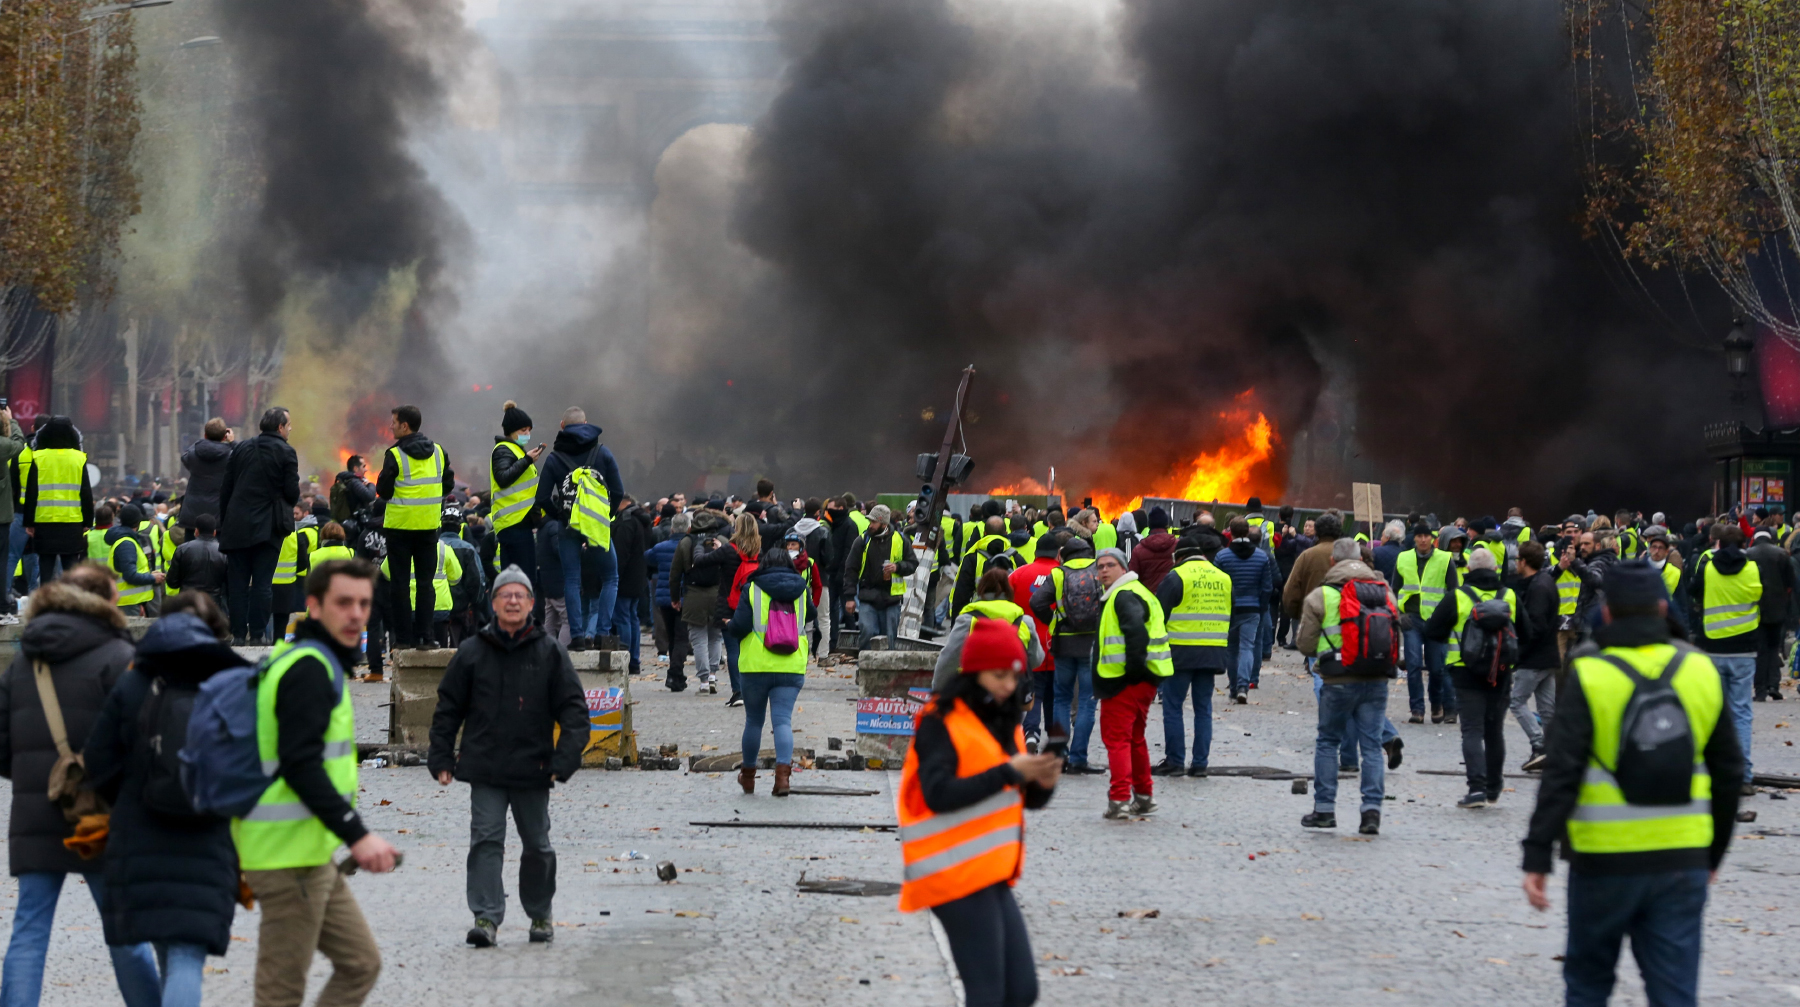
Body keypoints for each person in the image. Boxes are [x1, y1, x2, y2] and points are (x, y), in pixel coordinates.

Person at [1521, 561, 1744, 1007]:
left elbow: (1562, 771)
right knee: (1675, 991)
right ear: (1663, 607)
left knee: (1587, 984)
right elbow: (1729, 771)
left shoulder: (1588, 671)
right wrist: (1713, 852)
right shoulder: (1699, 668)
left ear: (1608, 612)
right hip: (1682, 858)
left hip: (1603, 859)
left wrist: (1538, 854)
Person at [236, 559, 398, 1007]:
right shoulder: (308, 668)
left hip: (309, 851)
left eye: (363, 603)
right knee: (280, 993)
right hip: (285, 856)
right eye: (343, 602)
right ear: (313, 606)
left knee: (360, 964)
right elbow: (300, 764)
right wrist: (358, 835)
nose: (356, 614)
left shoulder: (315, 660)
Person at [0, 564, 160, 1007]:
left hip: (36, 812)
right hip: (102, 812)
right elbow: (143, 738)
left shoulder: (24, 662)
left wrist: (42, 781)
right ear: (105, 603)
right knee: (124, 931)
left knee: (29, 930)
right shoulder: (117, 657)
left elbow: (2, 746)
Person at [82, 597, 243, 1007]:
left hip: (139, 833)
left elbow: (97, 762)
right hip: (207, 835)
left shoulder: (134, 682)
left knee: (158, 943)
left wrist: (131, 796)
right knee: (188, 954)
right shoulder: (230, 682)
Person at [897, 617, 1059, 1007]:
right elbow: (939, 794)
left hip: (990, 873)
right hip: (952, 874)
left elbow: (1021, 799)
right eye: (999, 675)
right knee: (987, 995)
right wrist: (1010, 771)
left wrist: (1043, 783)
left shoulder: (1003, 720)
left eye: (1015, 675)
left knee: (1021, 992)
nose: (1009, 685)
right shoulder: (941, 719)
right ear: (974, 672)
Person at [429, 565, 587, 947]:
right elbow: (448, 707)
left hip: (535, 768)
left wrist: (564, 761)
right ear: (494, 602)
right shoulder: (471, 651)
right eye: (505, 594)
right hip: (485, 765)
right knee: (485, 841)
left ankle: (539, 914)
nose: (513, 600)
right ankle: (485, 917)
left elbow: (574, 710)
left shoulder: (550, 652)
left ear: (531, 603)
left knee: (537, 845)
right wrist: (441, 757)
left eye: (520, 595)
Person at [1297, 537, 1398, 835]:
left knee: (1328, 742)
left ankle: (1325, 810)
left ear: (1333, 562)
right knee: (1371, 747)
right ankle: (1371, 813)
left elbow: (1304, 643)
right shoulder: (1384, 592)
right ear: (1362, 560)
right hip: (1377, 678)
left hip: (1337, 679)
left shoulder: (1321, 596)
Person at [1424, 546, 1517, 809]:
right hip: (1501, 672)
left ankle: (1476, 789)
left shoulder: (1458, 597)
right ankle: (1494, 787)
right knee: (1494, 730)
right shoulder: (1509, 595)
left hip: (1465, 671)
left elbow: (1432, 630)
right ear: (1496, 569)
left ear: (1468, 570)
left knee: (1472, 730)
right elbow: (1527, 633)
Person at [534, 407, 624, 651]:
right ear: (586, 423)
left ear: (562, 425)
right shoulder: (602, 453)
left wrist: (562, 517)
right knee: (610, 577)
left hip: (569, 527)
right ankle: (603, 635)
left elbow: (541, 498)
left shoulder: (554, 459)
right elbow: (618, 491)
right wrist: (605, 517)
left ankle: (576, 637)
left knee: (571, 579)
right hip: (596, 525)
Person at [1091, 547, 1170, 819]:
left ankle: (1120, 799)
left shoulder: (1123, 595)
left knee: (1117, 740)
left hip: (1124, 679)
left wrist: (1132, 672)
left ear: (1123, 568)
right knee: (1134, 739)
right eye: (1099, 566)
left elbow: (1136, 633)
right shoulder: (1137, 591)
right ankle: (1144, 796)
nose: (1103, 570)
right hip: (1145, 677)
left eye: (1109, 565)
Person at [728, 548, 813, 795]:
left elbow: (740, 626)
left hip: (755, 665)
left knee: (754, 721)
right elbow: (812, 616)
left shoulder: (752, 588)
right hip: (791, 664)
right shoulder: (801, 589)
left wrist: (730, 626)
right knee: (783, 721)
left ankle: (748, 777)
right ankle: (782, 780)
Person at [1683, 524, 1760, 795]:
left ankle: (1714, 773)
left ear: (1717, 543)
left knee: (1714, 713)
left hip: (1712, 648)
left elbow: (1693, 590)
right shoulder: (1752, 567)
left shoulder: (1708, 566)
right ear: (1742, 544)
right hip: (1745, 649)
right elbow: (1757, 595)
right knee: (1741, 713)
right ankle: (1743, 776)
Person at [1153, 529, 1232, 777]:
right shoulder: (1223, 578)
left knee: (1173, 706)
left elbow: (1158, 614)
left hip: (1180, 652)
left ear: (1179, 557)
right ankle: (1200, 764)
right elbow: (1232, 613)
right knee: (1203, 708)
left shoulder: (1176, 576)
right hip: (1213, 652)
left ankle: (1175, 761)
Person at [375, 404, 454, 650]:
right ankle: (426, 638)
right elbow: (448, 484)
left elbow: (383, 490)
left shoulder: (395, 455)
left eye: (394, 422)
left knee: (399, 585)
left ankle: (403, 640)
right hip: (429, 527)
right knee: (425, 583)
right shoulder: (439, 452)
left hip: (400, 529)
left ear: (405, 426)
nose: (391, 426)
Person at [218, 407, 299, 645]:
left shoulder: (241, 448)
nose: (290, 429)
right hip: (268, 528)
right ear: (280, 428)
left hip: (236, 525)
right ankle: (257, 635)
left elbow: (226, 489)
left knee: (238, 585)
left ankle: (238, 635)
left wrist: (225, 522)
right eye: (289, 424)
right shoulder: (286, 452)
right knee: (263, 583)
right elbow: (292, 493)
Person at [1029, 536, 1104, 774]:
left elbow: (1036, 601)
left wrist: (1054, 620)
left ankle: (1060, 755)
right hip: (1092, 644)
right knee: (1087, 702)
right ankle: (1079, 757)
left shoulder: (1058, 574)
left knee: (1061, 698)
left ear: (1063, 555)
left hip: (1063, 644)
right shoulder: (1099, 572)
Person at [1393, 521, 1459, 724]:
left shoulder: (1444, 559)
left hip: (1436, 621)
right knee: (1412, 665)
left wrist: (1447, 618)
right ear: (1414, 538)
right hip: (1411, 618)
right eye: (1419, 536)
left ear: (1433, 538)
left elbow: (1453, 591)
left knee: (1437, 667)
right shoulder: (1403, 558)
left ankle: (1437, 704)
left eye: (1426, 536)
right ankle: (1417, 709)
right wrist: (1398, 614)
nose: (1423, 540)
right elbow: (1395, 588)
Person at [21, 415, 95, 583]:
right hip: (72, 521)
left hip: (44, 521)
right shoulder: (78, 458)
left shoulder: (39, 458)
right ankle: (70, 604)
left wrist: (29, 522)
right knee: (70, 566)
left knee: (46, 564)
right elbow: (86, 492)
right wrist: (87, 521)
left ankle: (47, 604)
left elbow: (31, 493)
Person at [1511, 541, 1560, 772]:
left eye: (1517, 559)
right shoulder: (1545, 581)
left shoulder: (1538, 587)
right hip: (1548, 656)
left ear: (1523, 561)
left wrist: (1519, 652)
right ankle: (1552, 750)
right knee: (1547, 708)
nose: (1515, 563)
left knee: (1517, 701)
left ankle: (1540, 745)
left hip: (1534, 658)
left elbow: (1535, 626)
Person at [1007, 534, 1060, 751]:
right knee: (1057, 696)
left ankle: (1030, 734)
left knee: (1032, 691)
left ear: (1036, 552)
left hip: (1028, 645)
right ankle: (1056, 738)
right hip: (1057, 645)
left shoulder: (1019, 574)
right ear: (1058, 553)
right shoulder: (1063, 575)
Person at [671, 504, 731, 693]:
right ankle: (713, 675)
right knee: (715, 637)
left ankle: (703, 680)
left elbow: (675, 574)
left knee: (698, 639)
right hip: (717, 594)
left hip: (693, 594)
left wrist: (675, 597)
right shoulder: (722, 540)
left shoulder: (686, 542)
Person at [1215, 516, 1274, 702]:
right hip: (1253, 608)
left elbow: (1218, 585)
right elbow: (1267, 586)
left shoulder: (1222, 556)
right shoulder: (1261, 556)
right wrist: (1261, 606)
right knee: (1247, 647)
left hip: (1230, 609)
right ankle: (1243, 685)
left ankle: (1233, 688)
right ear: (1248, 531)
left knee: (1231, 649)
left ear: (1230, 532)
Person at [488, 401, 544, 590]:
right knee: (521, 583)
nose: (527, 433)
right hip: (513, 524)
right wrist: (527, 460)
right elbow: (503, 477)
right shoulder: (504, 450)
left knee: (521, 581)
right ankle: (518, 619)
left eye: (529, 429)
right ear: (512, 430)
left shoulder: (516, 451)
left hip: (519, 523)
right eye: (523, 429)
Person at [845, 505, 916, 651]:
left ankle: (887, 668)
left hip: (892, 599)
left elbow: (913, 563)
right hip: (868, 596)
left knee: (889, 637)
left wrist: (897, 567)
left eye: (873, 522)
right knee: (867, 632)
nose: (870, 525)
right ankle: (865, 665)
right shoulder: (862, 541)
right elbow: (851, 569)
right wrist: (850, 597)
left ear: (884, 524)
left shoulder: (901, 540)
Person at [1745, 526, 1793, 702]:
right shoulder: (1781, 554)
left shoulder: (1748, 554)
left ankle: (1760, 690)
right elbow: (1790, 582)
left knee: (1759, 649)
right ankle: (1774, 685)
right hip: (1777, 608)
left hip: (1755, 609)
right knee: (1774, 648)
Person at [646, 512, 690, 691]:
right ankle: (675, 674)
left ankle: (675, 674)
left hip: (664, 599)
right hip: (684, 597)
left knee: (672, 636)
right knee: (681, 637)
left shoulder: (660, 547)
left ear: (672, 529)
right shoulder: (690, 547)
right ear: (689, 528)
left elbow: (647, 557)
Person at [611, 496, 652, 675]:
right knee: (632, 617)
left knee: (622, 618)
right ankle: (634, 660)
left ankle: (626, 658)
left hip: (625, 578)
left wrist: (614, 575)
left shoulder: (626, 521)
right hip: (639, 577)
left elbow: (620, 553)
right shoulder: (642, 520)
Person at [100, 503, 161, 617]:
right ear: (138, 522)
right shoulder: (126, 543)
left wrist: (150, 574)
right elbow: (130, 576)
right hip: (127, 603)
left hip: (130, 602)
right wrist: (152, 578)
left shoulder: (126, 540)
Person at [269, 502, 316, 643]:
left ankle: (259, 641)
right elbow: (302, 561)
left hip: (264, 582)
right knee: (281, 621)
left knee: (263, 617)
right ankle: (277, 645)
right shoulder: (295, 535)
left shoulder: (265, 533)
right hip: (287, 583)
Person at [168, 511, 230, 616]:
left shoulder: (182, 549)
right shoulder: (224, 553)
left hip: (186, 602)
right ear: (214, 532)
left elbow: (172, 582)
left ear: (196, 531)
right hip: (213, 603)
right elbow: (229, 584)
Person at [440, 504, 485, 647]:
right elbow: (476, 579)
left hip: (435, 606)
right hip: (461, 606)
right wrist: (474, 601)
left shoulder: (432, 548)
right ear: (460, 528)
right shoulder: (468, 548)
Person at [178, 417, 233, 534]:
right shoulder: (231, 456)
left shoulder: (193, 455)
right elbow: (243, 456)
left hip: (193, 514)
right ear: (225, 436)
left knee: (191, 549)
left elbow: (185, 456)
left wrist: (199, 442)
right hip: (219, 515)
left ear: (205, 435)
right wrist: (232, 443)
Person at [1126, 507, 1176, 589]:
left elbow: (1132, 576)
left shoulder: (1139, 549)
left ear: (1149, 525)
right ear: (1166, 524)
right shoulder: (1177, 545)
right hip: (1172, 596)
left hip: (1147, 597)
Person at [329, 454, 377, 524]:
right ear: (355, 468)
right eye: (363, 466)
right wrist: (371, 484)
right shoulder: (354, 481)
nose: (366, 469)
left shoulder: (345, 480)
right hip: (355, 523)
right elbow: (369, 496)